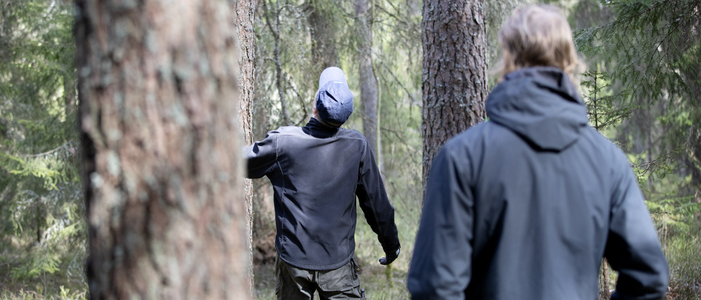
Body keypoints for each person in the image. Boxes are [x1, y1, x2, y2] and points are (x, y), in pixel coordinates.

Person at [407, 5, 669, 300]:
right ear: (569, 61)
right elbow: (649, 278)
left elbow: (434, 288)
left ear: (508, 57)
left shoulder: (462, 157)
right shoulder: (608, 161)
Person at [245, 67, 401, 299]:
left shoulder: (283, 143)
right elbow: (377, 206)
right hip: (338, 263)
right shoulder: (356, 145)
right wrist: (391, 245)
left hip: (293, 262)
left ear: (315, 105)